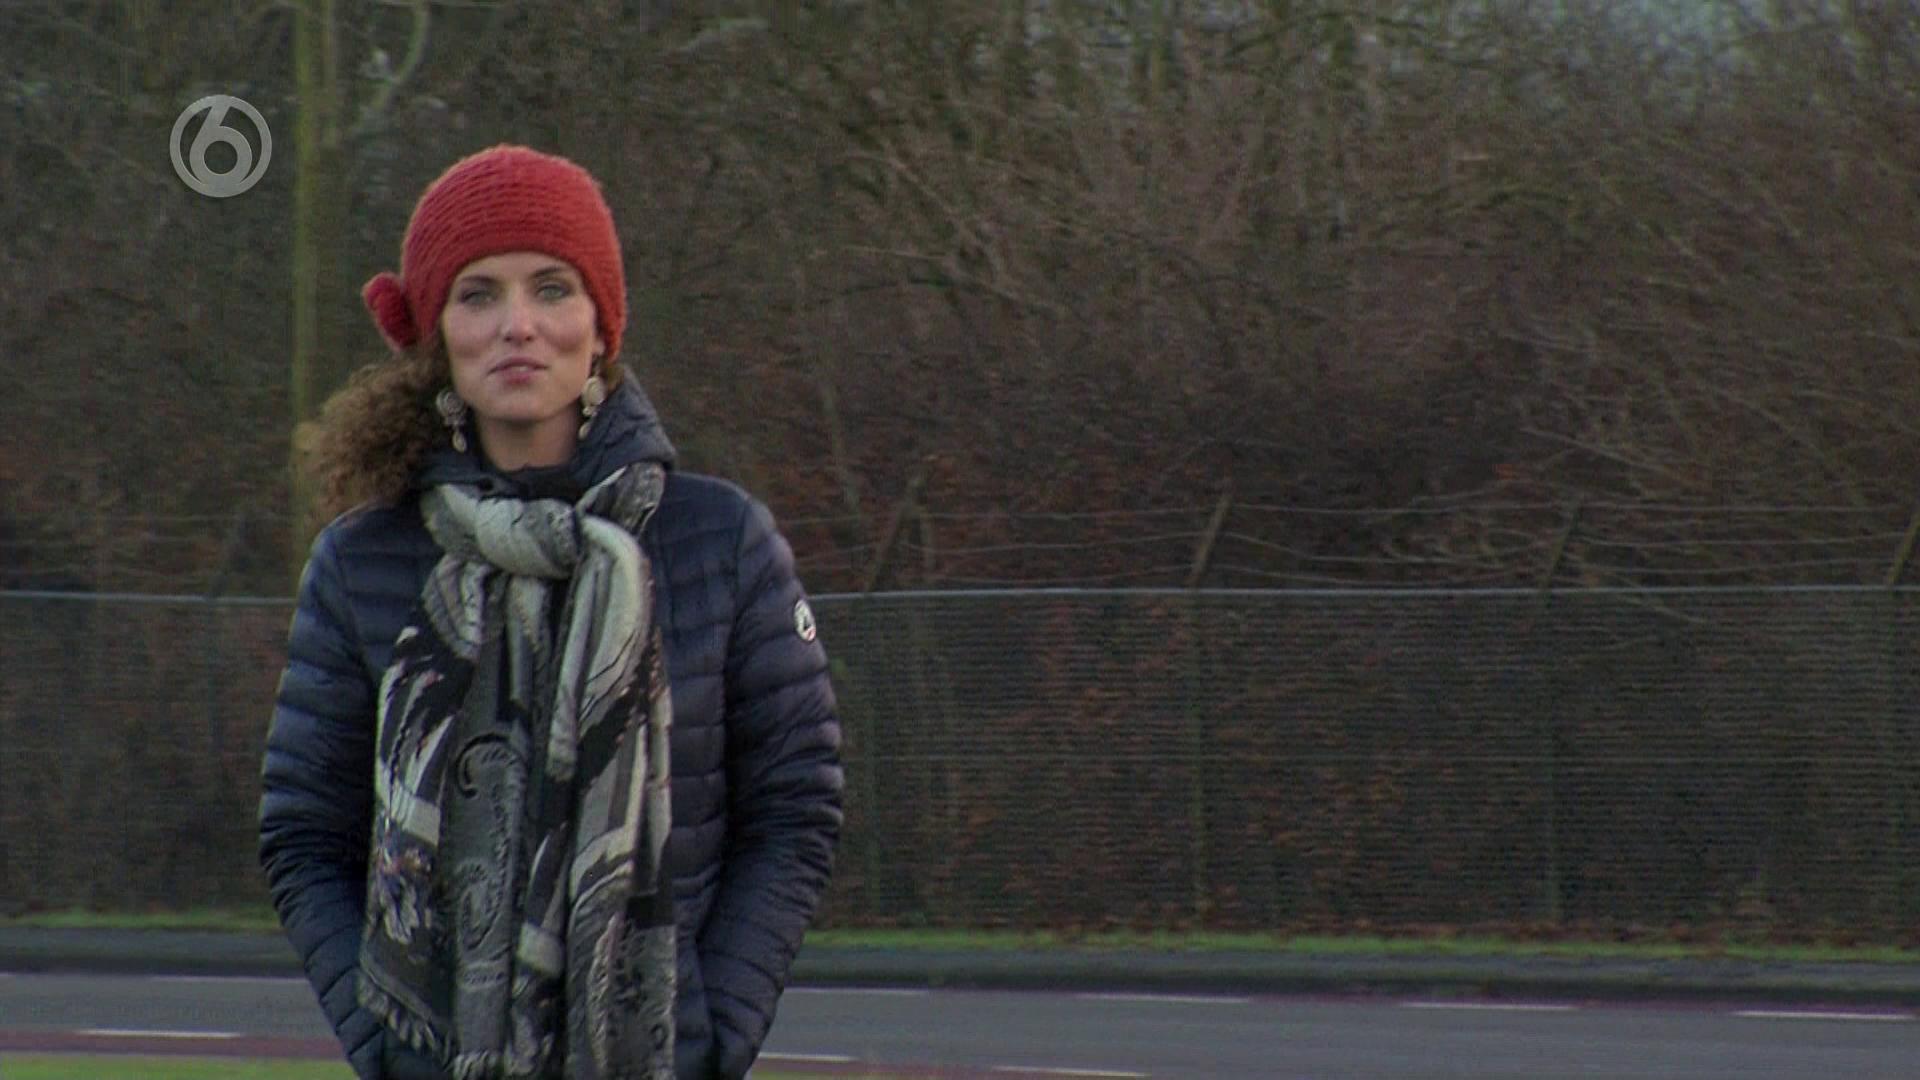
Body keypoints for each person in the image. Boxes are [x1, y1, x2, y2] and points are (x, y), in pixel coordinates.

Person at [257, 144, 844, 1080]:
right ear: (436, 333)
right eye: (478, 294)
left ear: (601, 325)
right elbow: (304, 833)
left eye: (552, 288)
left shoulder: (720, 541)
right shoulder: (361, 562)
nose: (517, 325)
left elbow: (794, 808)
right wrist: (386, 1045)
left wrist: (713, 1034)